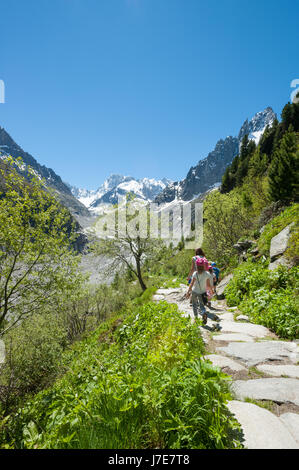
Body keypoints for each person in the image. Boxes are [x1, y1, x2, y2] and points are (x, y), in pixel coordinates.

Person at [186, 257, 214, 324]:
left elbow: (191, 283)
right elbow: (208, 285)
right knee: (202, 305)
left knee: (194, 305)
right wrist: (211, 291)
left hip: (195, 291)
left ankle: (196, 318)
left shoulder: (195, 273)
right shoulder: (207, 274)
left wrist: (188, 292)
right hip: (202, 292)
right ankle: (204, 312)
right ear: (203, 265)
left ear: (197, 265)